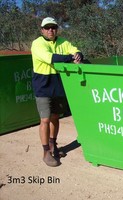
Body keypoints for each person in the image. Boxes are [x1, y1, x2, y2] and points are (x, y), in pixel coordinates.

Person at [31, 17, 83, 167]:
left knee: (55, 118)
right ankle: (46, 152)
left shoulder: (63, 42)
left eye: (53, 27)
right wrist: (71, 58)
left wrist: (78, 54)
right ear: (42, 30)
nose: (50, 30)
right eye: (47, 27)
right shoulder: (37, 44)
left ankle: (54, 145)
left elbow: (74, 49)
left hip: (58, 85)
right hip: (43, 86)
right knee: (45, 120)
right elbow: (51, 58)